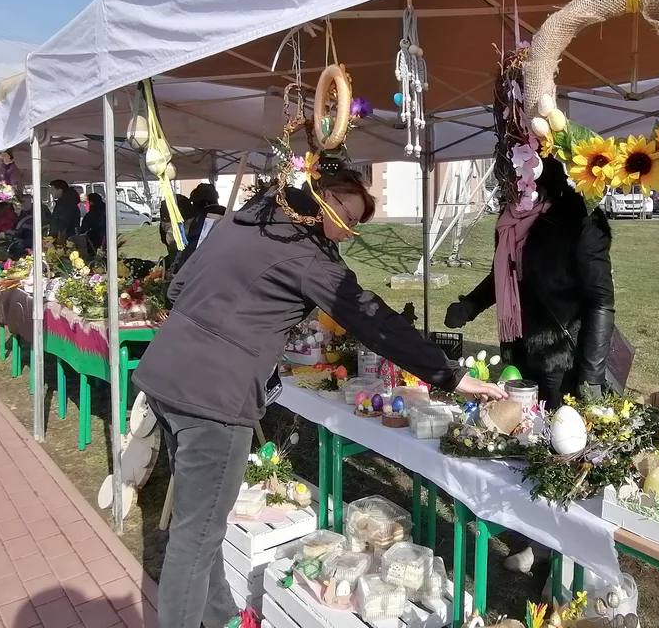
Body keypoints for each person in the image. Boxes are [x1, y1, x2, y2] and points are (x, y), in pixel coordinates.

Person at [132, 167, 506, 628]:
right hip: (215, 396)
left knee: (199, 523)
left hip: (166, 375)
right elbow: (371, 317)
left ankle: (224, 617)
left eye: (357, 223)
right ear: (321, 194)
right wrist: (450, 374)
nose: (349, 230)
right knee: (198, 533)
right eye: (346, 214)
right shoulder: (306, 254)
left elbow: (178, 286)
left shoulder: (247, 219)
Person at [444, 157, 616, 573]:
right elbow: (506, 276)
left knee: (561, 454)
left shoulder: (580, 221)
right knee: (522, 444)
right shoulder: (513, 222)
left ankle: (560, 560)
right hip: (521, 353)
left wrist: (590, 377)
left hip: (565, 360)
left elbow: (601, 301)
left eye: (514, 176)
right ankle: (531, 533)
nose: (507, 184)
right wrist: (471, 303)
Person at [48, 179, 81, 244]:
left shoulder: (66, 205)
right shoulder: (63, 204)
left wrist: (53, 239)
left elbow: (62, 224)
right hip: (64, 240)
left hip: (64, 242)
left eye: (52, 190)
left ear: (60, 191)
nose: (50, 192)